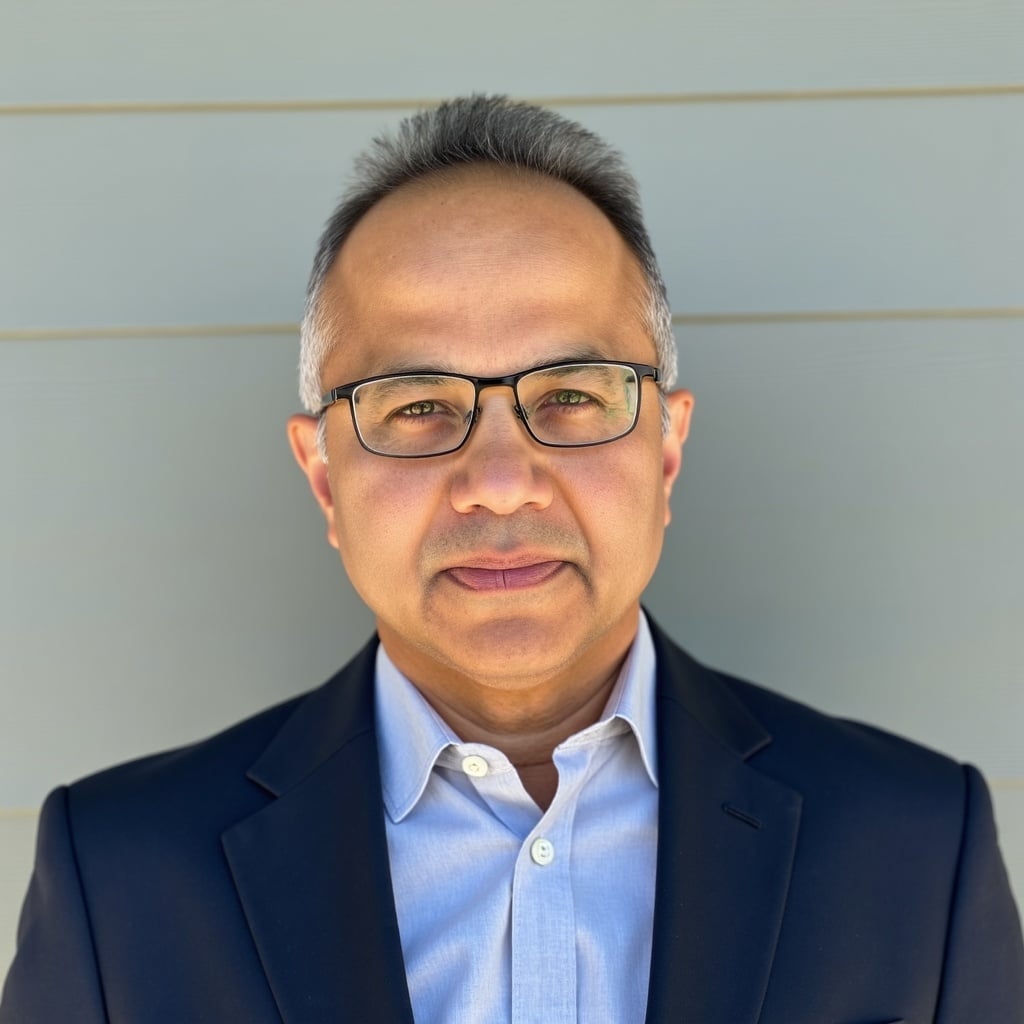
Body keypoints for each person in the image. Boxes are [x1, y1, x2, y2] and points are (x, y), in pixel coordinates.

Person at [2, 95, 1021, 1024]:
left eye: (571, 395)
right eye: (417, 407)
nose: (499, 481)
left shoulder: (917, 849)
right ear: (322, 475)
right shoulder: (123, 878)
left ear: (666, 448)